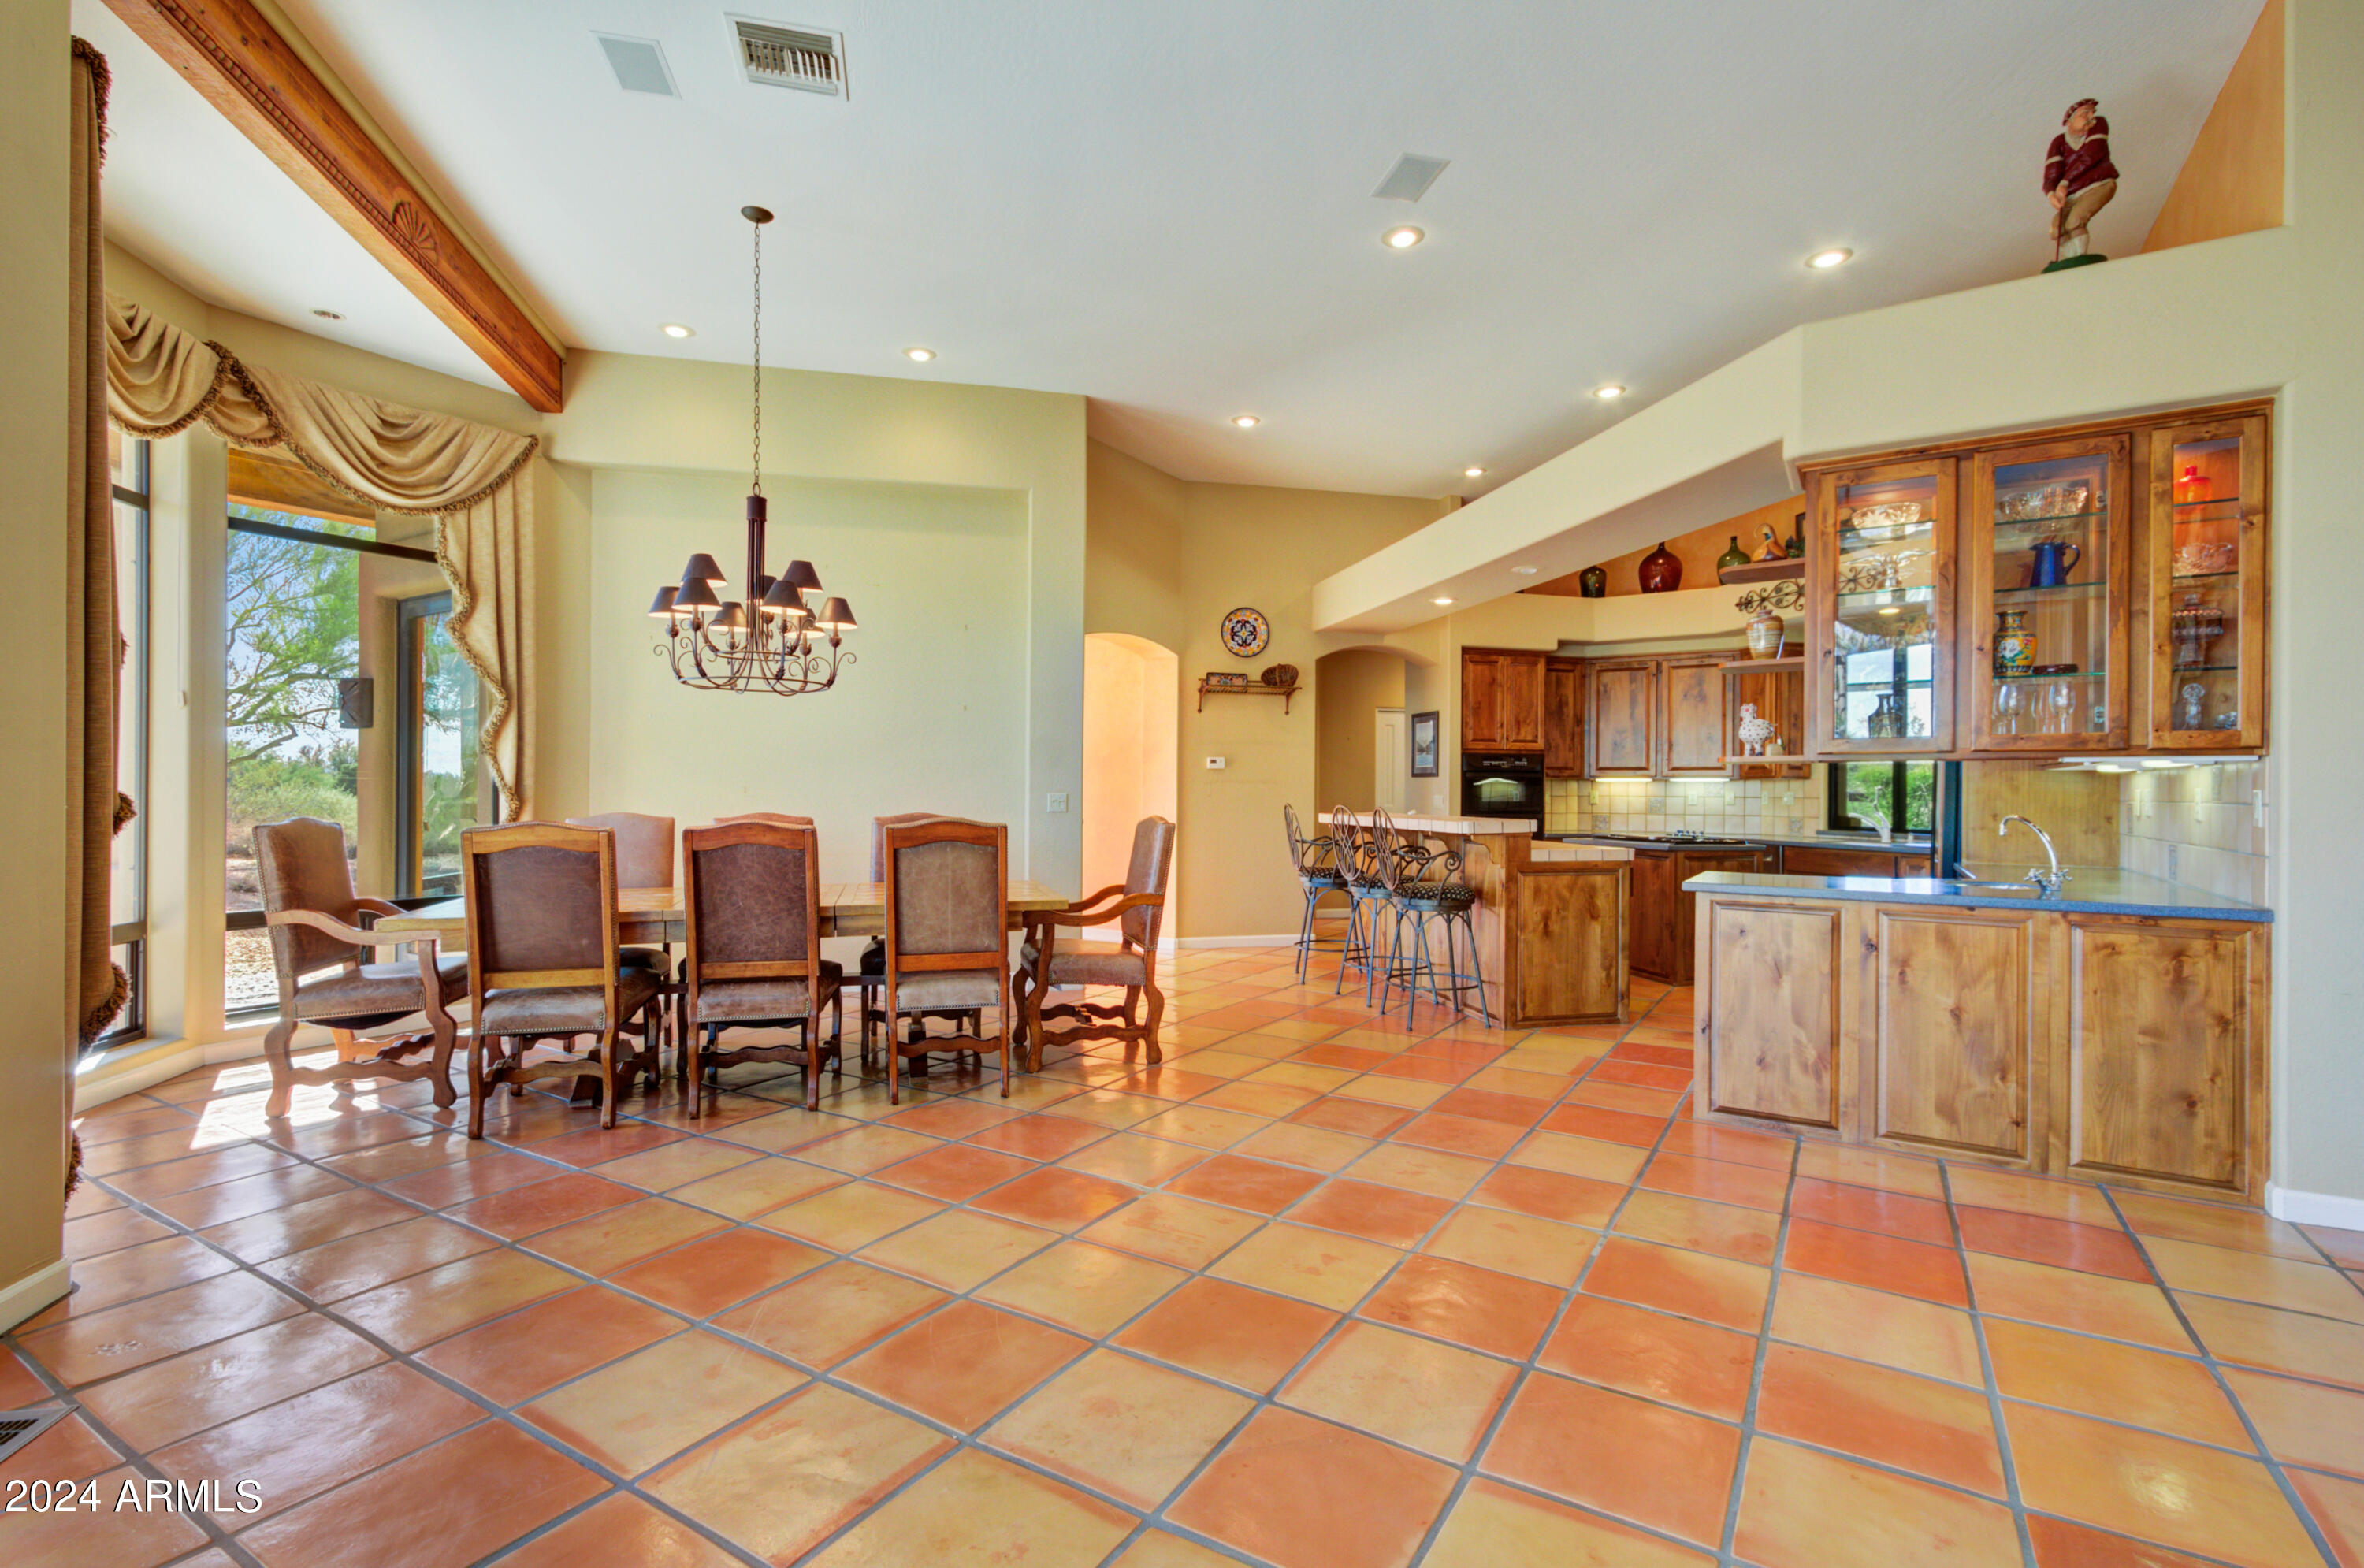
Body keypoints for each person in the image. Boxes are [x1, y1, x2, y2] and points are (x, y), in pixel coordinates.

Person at [2044, 98, 2117, 262]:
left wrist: (2065, 183)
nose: (2091, 116)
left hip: (2100, 185)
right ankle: (2072, 260)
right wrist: (2051, 194)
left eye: (2092, 112)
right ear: (2070, 121)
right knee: (2056, 229)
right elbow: (2051, 174)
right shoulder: (2059, 142)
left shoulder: (2098, 125)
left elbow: (2092, 155)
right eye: (2085, 113)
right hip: (2073, 195)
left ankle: (2080, 257)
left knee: (2074, 221)